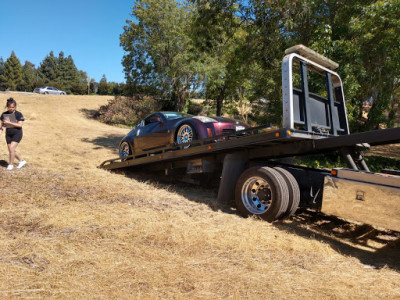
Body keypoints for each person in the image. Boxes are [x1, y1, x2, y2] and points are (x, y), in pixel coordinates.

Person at [0, 98, 26, 170]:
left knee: (11, 148)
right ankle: (21, 161)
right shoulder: (4, 114)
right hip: (8, 134)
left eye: (13, 107)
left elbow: (19, 125)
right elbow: (2, 126)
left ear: (15, 107)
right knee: (11, 150)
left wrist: (8, 122)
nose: (11, 109)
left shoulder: (18, 114)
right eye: (10, 107)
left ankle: (10, 164)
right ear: (7, 107)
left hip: (17, 133)